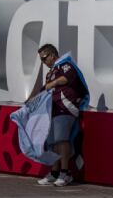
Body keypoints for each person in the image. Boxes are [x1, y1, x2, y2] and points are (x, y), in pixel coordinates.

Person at [31, 44, 88, 187]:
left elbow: (66, 79)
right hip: (52, 110)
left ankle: (65, 172)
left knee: (61, 140)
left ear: (52, 55)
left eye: (44, 58)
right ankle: (54, 173)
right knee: (51, 142)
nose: (44, 62)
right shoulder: (50, 73)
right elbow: (44, 90)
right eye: (41, 60)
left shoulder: (65, 65)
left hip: (65, 108)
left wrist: (53, 83)